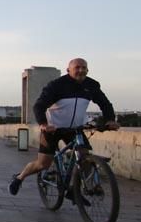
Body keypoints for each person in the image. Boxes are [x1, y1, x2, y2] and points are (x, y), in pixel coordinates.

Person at [8, 58, 119, 197]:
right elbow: (39, 105)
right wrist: (43, 124)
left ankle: (75, 189)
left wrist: (110, 120)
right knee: (43, 164)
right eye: (77, 67)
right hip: (53, 129)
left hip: (75, 129)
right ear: (68, 70)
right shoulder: (57, 85)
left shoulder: (92, 85)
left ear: (87, 70)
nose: (81, 70)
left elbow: (105, 104)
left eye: (84, 68)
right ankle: (19, 177)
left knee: (85, 156)